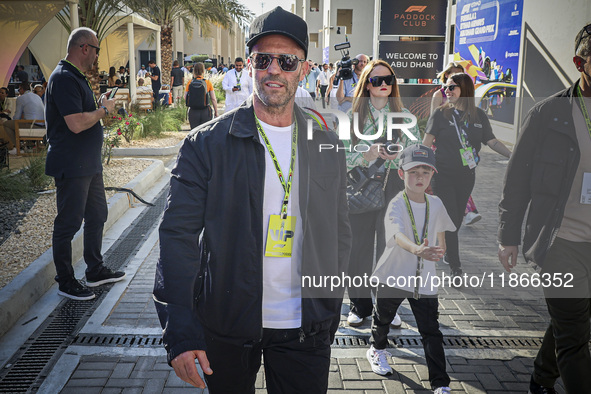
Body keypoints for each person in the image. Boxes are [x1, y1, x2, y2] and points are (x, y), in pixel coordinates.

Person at [153, 6, 351, 393]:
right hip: (226, 326)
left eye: (287, 60)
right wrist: (180, 328)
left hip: (305, 327)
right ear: (250, 66)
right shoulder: (206, 144)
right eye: (263, 59)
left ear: (304, 69)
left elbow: (340, 232)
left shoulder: (326, 143)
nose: (274, 69)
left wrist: (330, 307)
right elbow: (177, 238)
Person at [498, 23, 591, 394]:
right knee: (574, 338)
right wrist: (508, 237)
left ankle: (539, 379)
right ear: (579, 63)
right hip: (561, 241)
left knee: (572, 321)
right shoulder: (548, 115)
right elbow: (516, 181)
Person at [44, 27, 125, 300]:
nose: (97, 56)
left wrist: (98, 105)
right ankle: (66, 281)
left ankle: (95, 270)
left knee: (97, 215)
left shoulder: (75, 77)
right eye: (97, 50)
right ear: (84, 48)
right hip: (72, 164)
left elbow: (82, 114)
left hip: (88, 165)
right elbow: (76, 124)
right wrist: (103, 111)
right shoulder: (64, 78)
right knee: (68, 224)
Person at [367, 145, 454, 394]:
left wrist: (439, 249)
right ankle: (377, 349)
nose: (420, 177)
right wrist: (417, 250)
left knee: (431, 331)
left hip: (424, 280)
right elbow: (396, 235)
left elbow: (440, 232)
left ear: (432, 175)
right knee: (382, 319)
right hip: (393, 275)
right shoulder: (396, 204)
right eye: (414, 171)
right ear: (401, 174)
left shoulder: (435, 203)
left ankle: (440, 384)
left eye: (425, 172)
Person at [344, 60, 420, 328]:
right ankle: (360, 305)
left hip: (393, 187)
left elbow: (416, 153)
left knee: (390, 250)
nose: (384, 84)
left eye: (389, 79)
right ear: (367, 84)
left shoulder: (403, 114)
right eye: (377, 80)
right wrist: (365, 155)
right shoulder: (352, 115)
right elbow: (339, 157)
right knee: (359, 251)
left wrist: (401, 156)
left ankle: (386, 305)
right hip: (360, 187)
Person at [423, 73, 511, 278]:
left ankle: (447, 248)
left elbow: (492, 141)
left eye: (452, 87)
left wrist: (512, 155)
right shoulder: (440, 114)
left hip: (466, 176)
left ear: (465, 90)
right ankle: (455, 265)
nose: (447, 90)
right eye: (446, 87)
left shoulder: (478, 116)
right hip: (441, 174)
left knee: (455, 219)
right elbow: (426, 144)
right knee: (453, 219)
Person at [430, 63, 482, 227]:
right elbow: (433, 119)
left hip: (462, 146)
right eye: (452, 75)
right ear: (446, 76)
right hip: (443, 143)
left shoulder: (466, 99)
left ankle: (463, 212)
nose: (455, 78)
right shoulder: (440, 94)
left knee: (461, 176)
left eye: (459, 75)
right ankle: (465, 212)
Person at [2, 82, 45, 150]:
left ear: (22, 89)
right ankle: (28, 145)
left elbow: (17, 117)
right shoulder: (36, 96)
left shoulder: (21, 98)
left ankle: (19, 147)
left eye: (19, 89)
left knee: (6, 124)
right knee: (22, 122)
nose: (19, 91)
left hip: (33, 125)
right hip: (42, 125)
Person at [185, 62, 218, 129]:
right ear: (203, 71)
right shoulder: (207, 82)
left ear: (194, 71)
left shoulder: (190, 82)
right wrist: (216, 112)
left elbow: (185, 97)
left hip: (193, 111)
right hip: (205, 111)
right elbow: (213, 99)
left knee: (194, 133)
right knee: (205, 133)